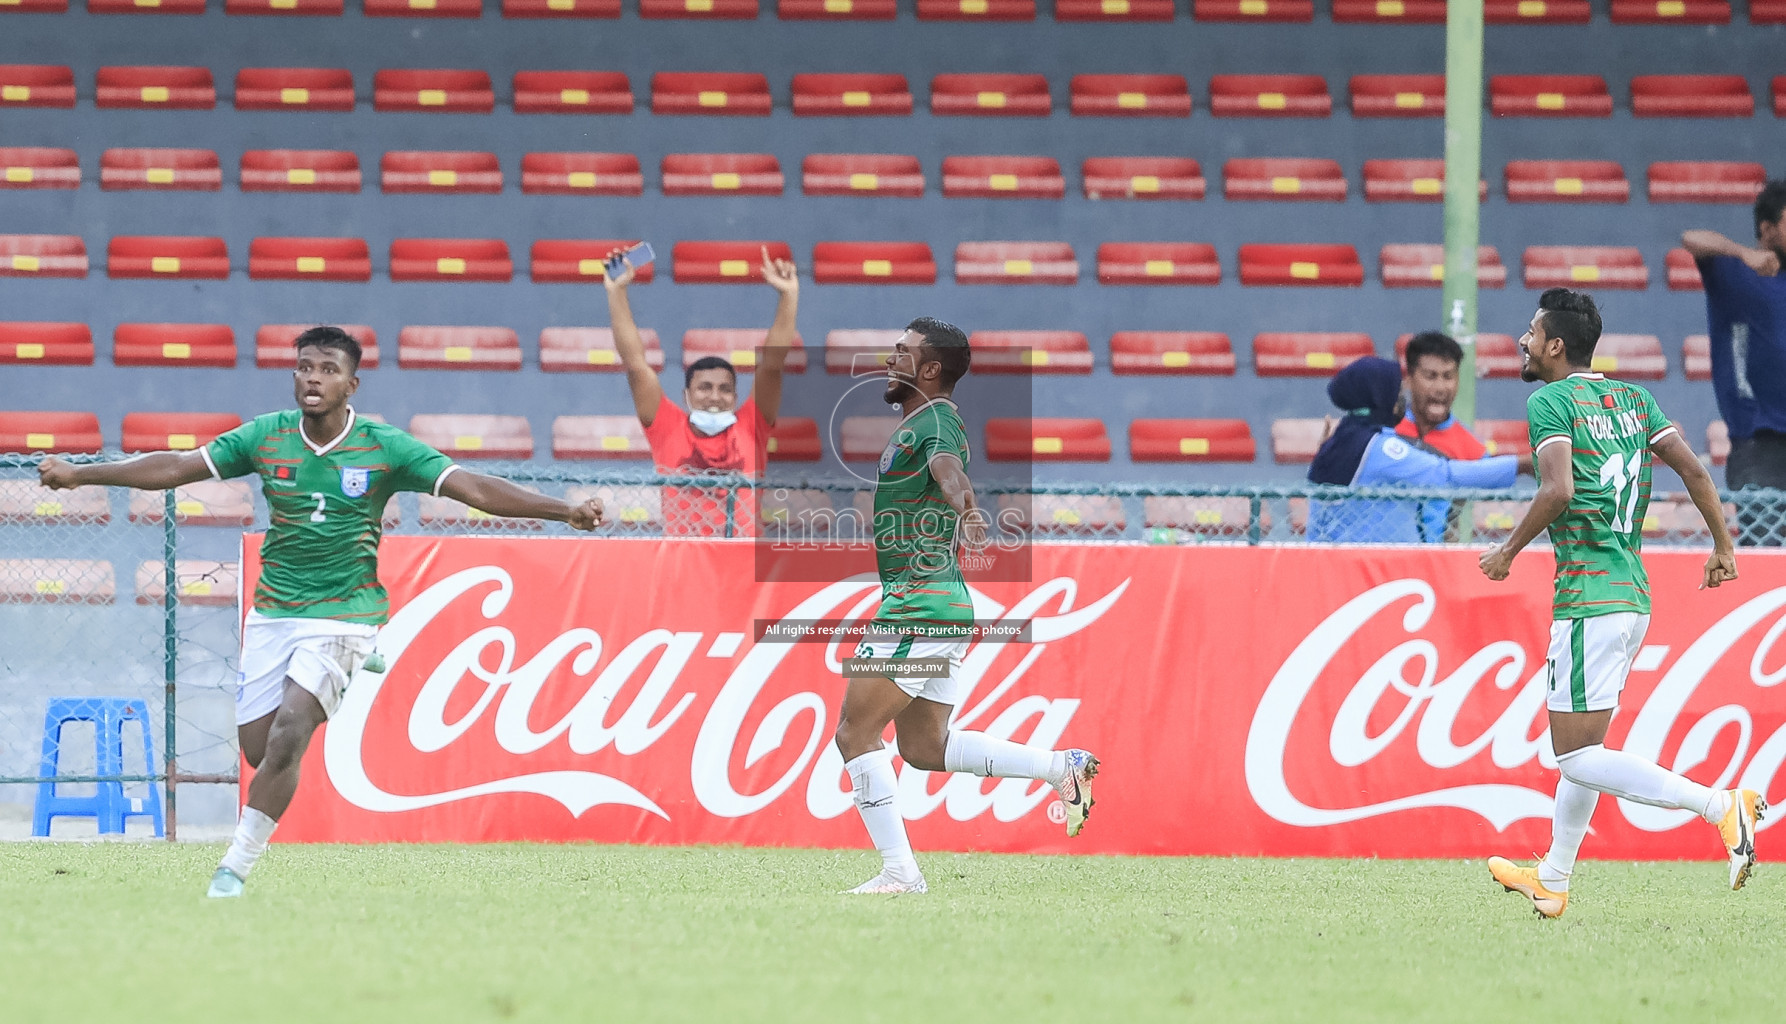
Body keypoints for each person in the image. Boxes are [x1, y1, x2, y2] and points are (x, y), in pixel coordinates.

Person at [37, 327, 606, 898]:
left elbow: (473, 488)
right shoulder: (267, 436)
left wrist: (565, 511)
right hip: (274, 612)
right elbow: (177, 468)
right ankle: (336, 685)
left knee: (289, 735)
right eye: (305, 367)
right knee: (259, 750)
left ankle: (233, 868)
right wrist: (82, 473)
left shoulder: (385, 447)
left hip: (344, 614)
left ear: (351, 384)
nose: (314, 378)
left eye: (328, 369)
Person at [1478, 288, 1759, 918]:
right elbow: (1693, 470)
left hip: (1588, 596)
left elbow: (1557, 489)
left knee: (1576, 754)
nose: (1522, 342)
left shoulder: (1549, 401)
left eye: (1530, 332)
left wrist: (1508, 552)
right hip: (1632, 593)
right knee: (1587, 753)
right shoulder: (1634, 400)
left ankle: (1719, 806)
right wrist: (1723, 545)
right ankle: (1552, 878)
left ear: (1554, 345)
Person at [833, 317, 1099, 895]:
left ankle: (900, 874)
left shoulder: (935, 421)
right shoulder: (926, 421)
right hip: (942, 601)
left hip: (918, 606)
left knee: (856, 734)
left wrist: (967, 507)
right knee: (924, 747)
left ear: (929, 369)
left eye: (901, 351)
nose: (889, 358)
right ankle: (1062, 768)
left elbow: (948, 471)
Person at [604, 246, 797, 536]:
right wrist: (616, 292)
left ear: (734, 397)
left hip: (742, 565)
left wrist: (789, 295)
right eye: (704, 388)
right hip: (684, 565)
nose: (715, 396)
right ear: (686, 396)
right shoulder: (667, 427)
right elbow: (635, 365)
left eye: (725, 389)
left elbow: (772, 365)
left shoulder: (751, 426)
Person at [1306, 357, 1520, 543]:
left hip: (1331, 565)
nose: (1402, 400)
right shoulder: (1380, 448)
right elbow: (1445, 476)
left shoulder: (1339, 440)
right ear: (1380, 398)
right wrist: (1521, 465)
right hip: (1378, 572)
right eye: (1397, 392)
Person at [1681, 179, 1786, 546]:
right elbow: (1692, 238)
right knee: (1768, 551)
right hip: (1758, 444)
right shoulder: (1735, 273)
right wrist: (1744, 254)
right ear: (1768, 229)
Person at [1395, 330, 1489, 460]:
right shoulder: (1385, 434)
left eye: (1448, 377)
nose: (1440, 388)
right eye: (1430, 376)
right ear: (1409, 379)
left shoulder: (1475, 454)